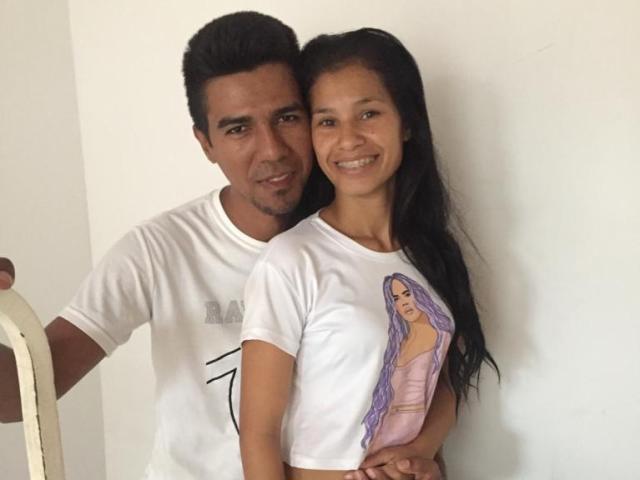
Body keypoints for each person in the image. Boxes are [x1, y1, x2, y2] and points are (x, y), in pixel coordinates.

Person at [0, 13, 448, 480]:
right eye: (238, 129)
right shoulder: (157, 251)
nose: (271, 150)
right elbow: (20, 394)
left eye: (287, 118)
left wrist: (420, 454)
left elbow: (423, 377)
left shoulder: (371, 242)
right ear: (206, 143)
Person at [239, 28, 499, 480]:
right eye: (327, 121)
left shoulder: (432, 252)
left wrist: (418, 451)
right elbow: (258, 435)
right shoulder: (292, 260)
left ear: (407, 122)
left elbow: (445, 379)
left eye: (369, 114)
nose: (349, 140)